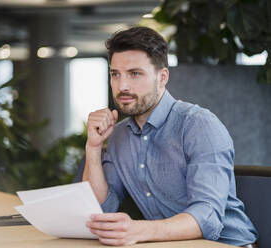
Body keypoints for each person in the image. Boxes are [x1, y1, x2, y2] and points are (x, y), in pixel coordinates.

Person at [83, 26, 258, 247]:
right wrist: (93, 147)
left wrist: (139, 230)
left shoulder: (198, 125)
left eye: (135, 73)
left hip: (227, 244)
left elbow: (207, 218)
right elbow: (99, 209)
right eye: (115, 74)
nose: (122, 86)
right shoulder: (119, 135)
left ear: (162, 77)